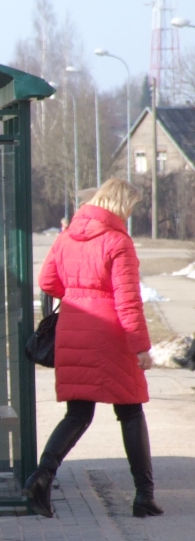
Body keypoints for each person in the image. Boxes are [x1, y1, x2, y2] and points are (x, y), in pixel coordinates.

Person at [25, 178, 163, 518]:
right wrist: (141, 348)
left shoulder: (67, 236)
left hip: (75, 330)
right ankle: (144, 496)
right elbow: (128, 301)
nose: (131, 214)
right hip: (111, 337)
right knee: (130, 411)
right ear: (121, 206)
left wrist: (77, 294)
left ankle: (41, 477)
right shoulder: (118, 242)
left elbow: (47, 282)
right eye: (130, 208)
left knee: (77, 413)